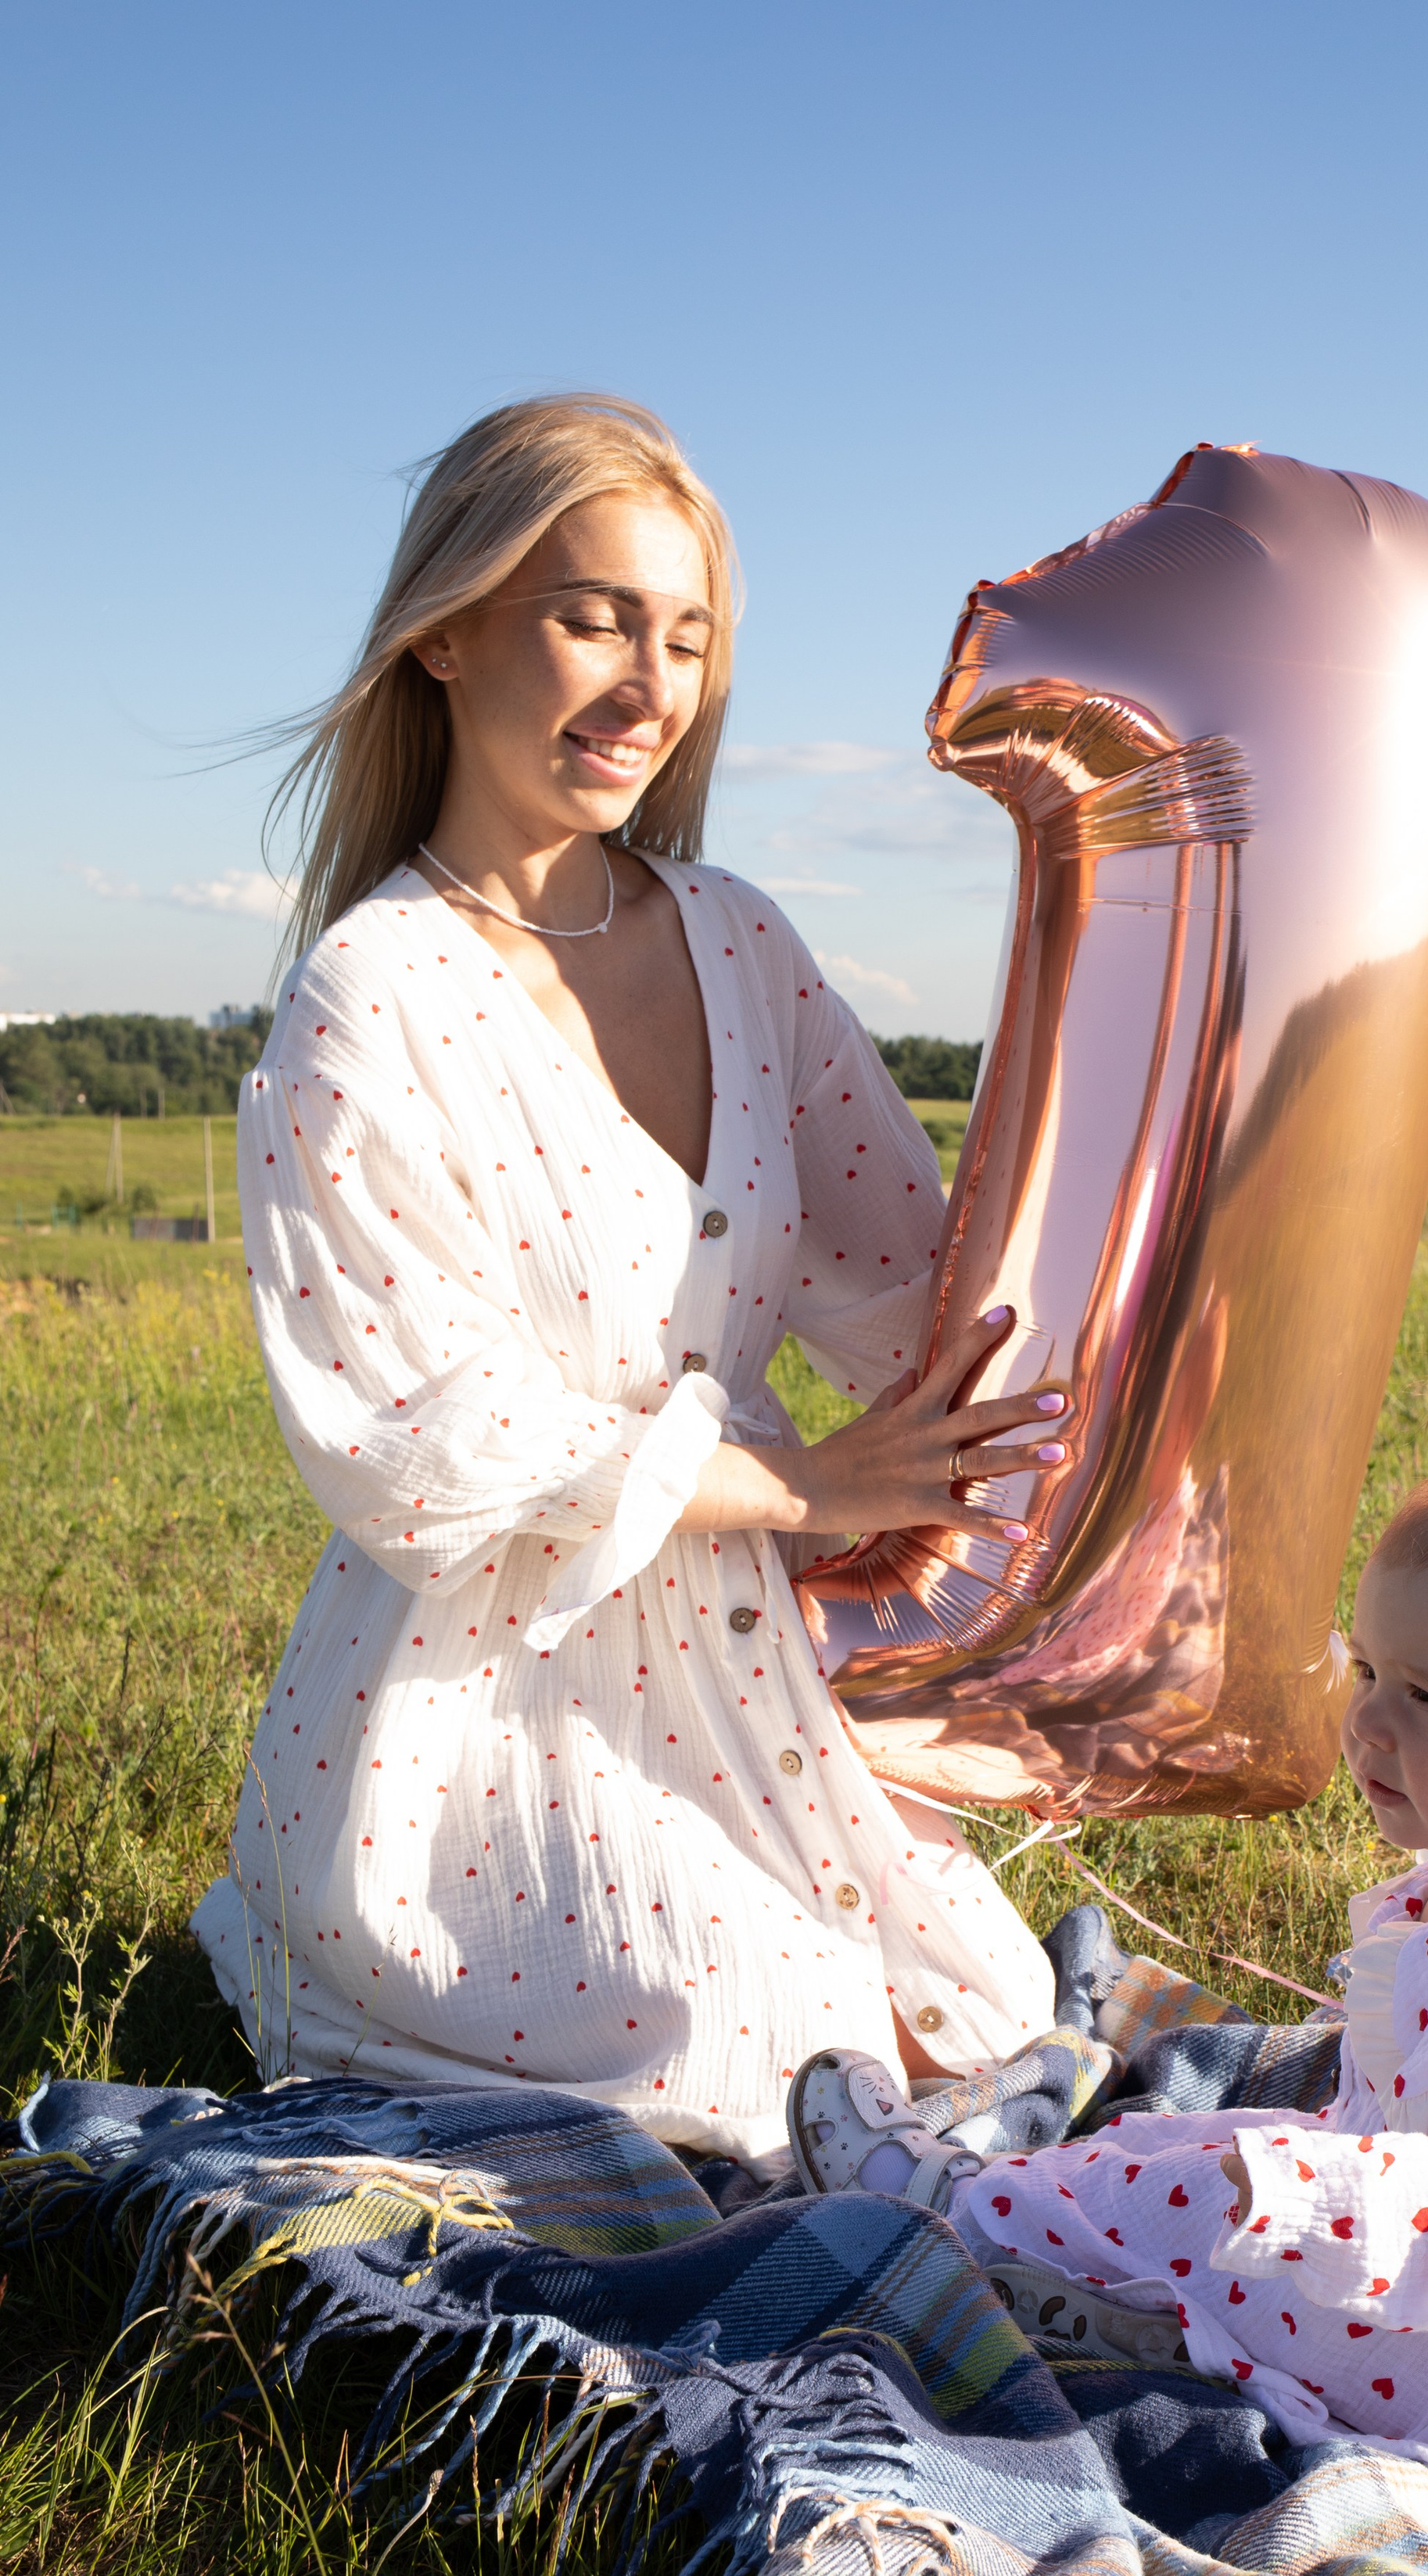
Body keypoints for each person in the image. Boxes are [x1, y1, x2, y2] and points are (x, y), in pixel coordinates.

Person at [192, 394, 1067, 2168]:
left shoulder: (736, 937)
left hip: (749, 1647)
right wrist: (803, 1489)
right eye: (594, 619)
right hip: (488, 1696)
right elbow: (417, 1445)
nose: (649, 686)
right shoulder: (367, 1000)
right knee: (765, 2063)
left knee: (972, 2010)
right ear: (446, 631)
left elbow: (918, 1287)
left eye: (684, 636)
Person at [786, 1406, 1428, 2492]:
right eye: (1366, 1670)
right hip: (1416, 2234)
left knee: (1207, 2194)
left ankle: (954, 2219)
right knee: (1171, 2148)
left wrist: (1317, 2195)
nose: (1367, 1722)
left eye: (1425, 1696)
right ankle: (1064, 2243)